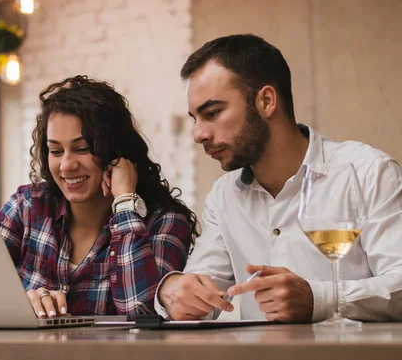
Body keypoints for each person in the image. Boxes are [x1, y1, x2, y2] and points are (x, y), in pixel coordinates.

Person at [155, 34, 402, 323]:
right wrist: (171, 292)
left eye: (212, 113)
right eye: (195, 119)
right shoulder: (224, 197)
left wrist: (318, 299)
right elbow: (202, 295)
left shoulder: (368, 173)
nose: (199, 134)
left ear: (267, 101)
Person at [0, 75, 197, 318]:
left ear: (115, 150)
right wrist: (22, 302)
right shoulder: (27, 208)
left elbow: (143, 312)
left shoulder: (165, 222)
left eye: (83, 149)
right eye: (56, 151)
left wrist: (125, 202)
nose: (66, 165)